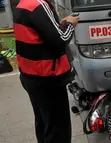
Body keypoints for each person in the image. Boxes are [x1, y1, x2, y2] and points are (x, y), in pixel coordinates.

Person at [13, 0, 78, 142]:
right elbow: (61, 40)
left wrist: (59, 25)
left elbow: (41, 34)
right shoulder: (39, 5)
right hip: (48, 79)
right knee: (58, 131)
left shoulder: (23, 4)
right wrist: (71, 24)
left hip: (31, 77)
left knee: (44, 124)